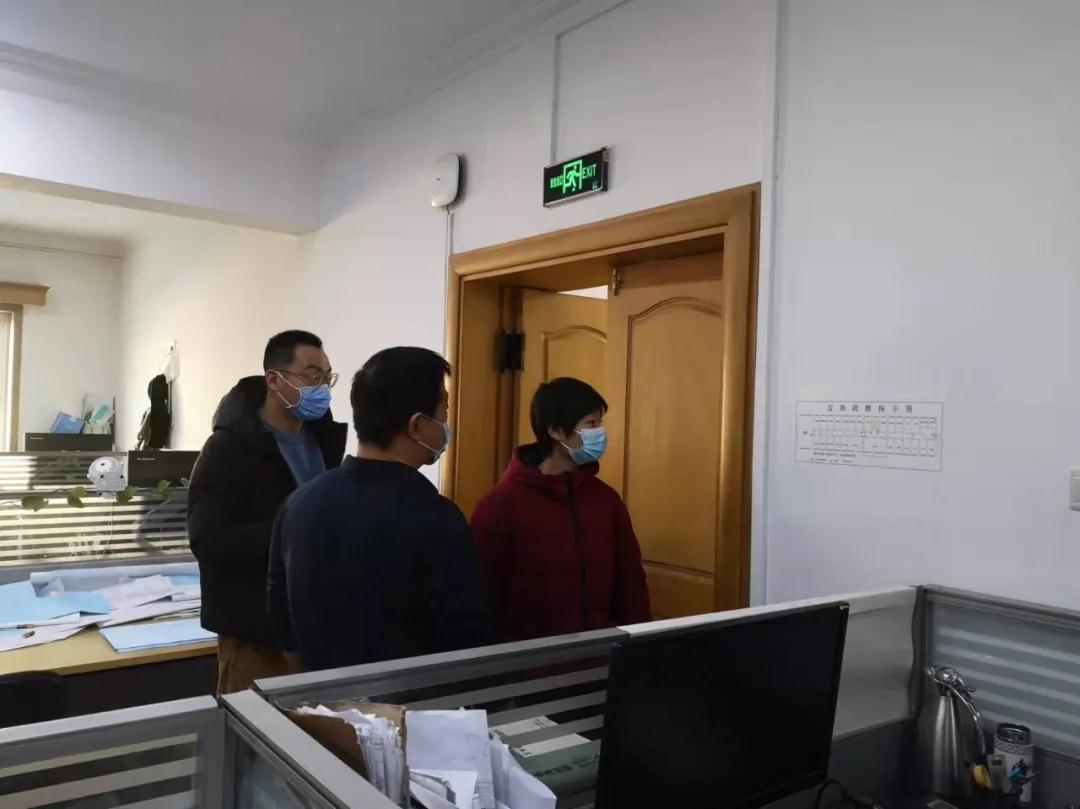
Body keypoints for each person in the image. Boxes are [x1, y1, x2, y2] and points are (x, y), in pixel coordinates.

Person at [268, 346, 494, 672]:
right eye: (444, 409)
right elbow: (465, 640)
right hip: (411, 701)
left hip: (322, 697)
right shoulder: (436, 517)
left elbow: (283, 624)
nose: (447, 423)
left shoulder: (299, 503)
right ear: (417, 426)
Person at [188, 330, 347, 693]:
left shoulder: (323, 439)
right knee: (253, 726)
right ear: (274, 380)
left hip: (316, 624)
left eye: (327, 378)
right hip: (256, 633)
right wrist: (292, 533)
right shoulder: (228, 448)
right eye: (312, 377)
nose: (322, 389)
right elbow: (208, 540)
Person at [470, 377, 650, 641]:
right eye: (591, 424)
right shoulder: (499, 506)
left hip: (601, 654)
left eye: (599, 423)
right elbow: (482, 596)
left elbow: (630, 583)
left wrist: (640, 644)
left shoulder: (606, 500)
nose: (600, 433)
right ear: (555, 431)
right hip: (528, 658)